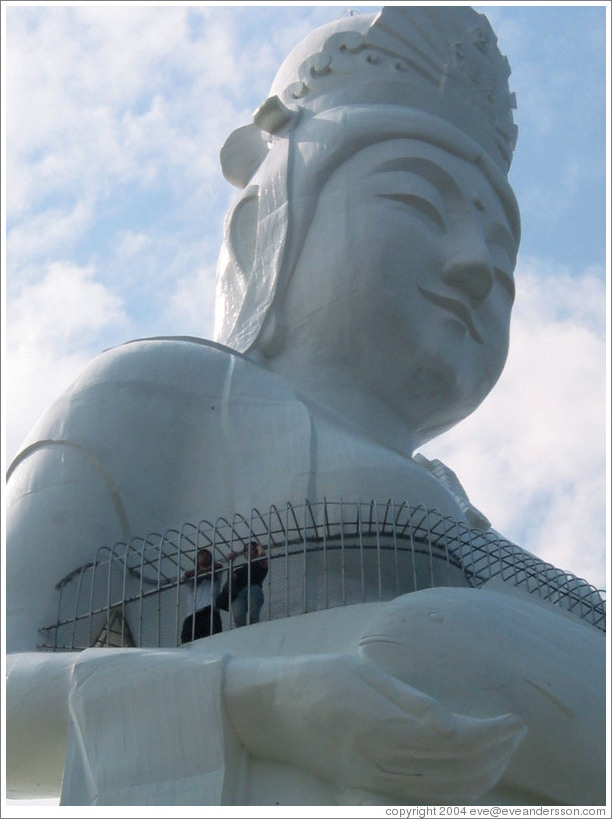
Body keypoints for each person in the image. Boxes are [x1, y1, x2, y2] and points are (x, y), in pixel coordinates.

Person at [5, 6, 605, 806]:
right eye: (421, 203)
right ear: (267, 224)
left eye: (503, 245)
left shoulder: (471, 518)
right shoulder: (158, 393)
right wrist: (262, 702)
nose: (474, 264)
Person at [180, 548, 224, 643]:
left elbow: (219, 566)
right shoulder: (192, 574)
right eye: (202, 554)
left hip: (210, 609)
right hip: (192, 613)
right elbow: (183, 575)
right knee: (187, 642)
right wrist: (202, 573)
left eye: (208, 556)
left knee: (214, 640)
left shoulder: (216, 570)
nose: (205, 556)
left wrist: (200, 573)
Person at [226, 541, 268, 627]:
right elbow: (231, 578)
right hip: (238, 593)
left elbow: (262, 555)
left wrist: (258, 546)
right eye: (246, 550)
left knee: (253, 616)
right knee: (238, 618)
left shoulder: (260, 563)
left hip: (253, 588)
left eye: (251, 549)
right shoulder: (241, 569)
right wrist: (230, 563)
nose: (248, 551)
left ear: (256, 551)